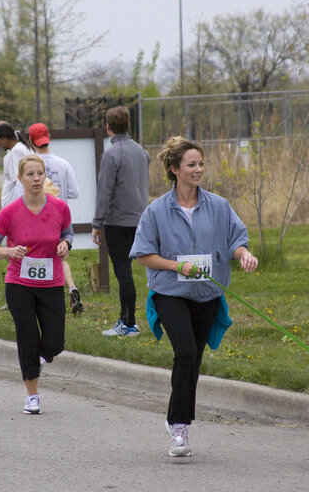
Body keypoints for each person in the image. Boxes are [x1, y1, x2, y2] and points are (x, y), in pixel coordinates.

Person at [129, 136, 258, 456]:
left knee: (194, 359)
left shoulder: (218, 206)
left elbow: (235, 240)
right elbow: (143, 255)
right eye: (191, 165)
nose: (198, 169)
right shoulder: (156, 211)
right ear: (174, 170)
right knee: (185, 352)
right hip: (170, 292)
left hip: (206, 294)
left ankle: (181, 422)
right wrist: (177, 266)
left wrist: (243, 254)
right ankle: (178, 427)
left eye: (201, 164)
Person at [0, 154, 74, 414]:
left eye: (40, 173)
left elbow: (67, 234)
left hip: (51, 282)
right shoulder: (10, 213)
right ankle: (32, 396)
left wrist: (65, 244)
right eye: (30, 174)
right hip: (19, 283)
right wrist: (9, 252)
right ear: (19, 178)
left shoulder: (59, 208)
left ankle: (40, 359)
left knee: (55, 342)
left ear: (45, 176)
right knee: (28, 337)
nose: (36, 179)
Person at [91, 106, 151, 336]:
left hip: (117, 222)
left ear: (108, 126)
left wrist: (97, 223)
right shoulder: (142, 152)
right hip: (141, 219)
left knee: (123, 273)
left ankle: (128, 323)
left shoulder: (111, 155)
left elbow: (104, 191)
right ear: (128, 125)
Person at [28, 122, 84, 314]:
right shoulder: (63, 164)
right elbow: (74, 193)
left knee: (37, 257)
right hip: (60, 216)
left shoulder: (29, 166)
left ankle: (42, 295)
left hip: (36, 216)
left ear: (30, 140)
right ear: (48, 138)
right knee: (60, 255)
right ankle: (71, 288)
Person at [0, 121, 34, 208]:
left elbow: (20, 182)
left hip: (15, 207)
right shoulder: (20, 148)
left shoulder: (17, 152)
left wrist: (18, 209)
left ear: (5, 138)